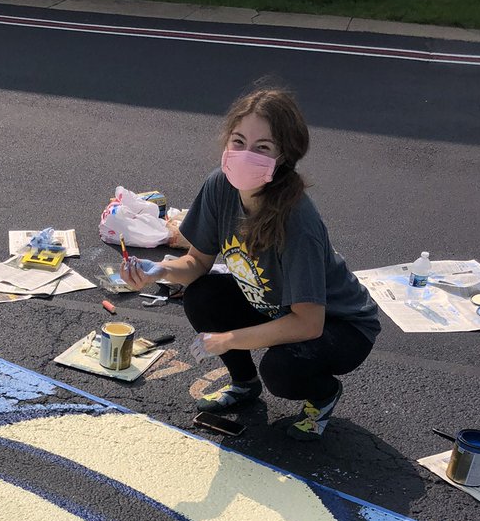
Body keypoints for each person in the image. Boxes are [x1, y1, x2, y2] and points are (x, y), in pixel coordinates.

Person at [121, 87, 380, 440]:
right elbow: (197, 262)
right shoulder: (219, 186)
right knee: (202, 294)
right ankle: (244, 384)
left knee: (283, 369)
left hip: (340, 325)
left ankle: (323, 395)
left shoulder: (298, 220)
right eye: (239, 141)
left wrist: (229, 338)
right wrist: (160, 272)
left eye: (262, 148)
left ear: (284, 157)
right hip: (277, 306)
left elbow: (308, 323)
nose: (244, 156)